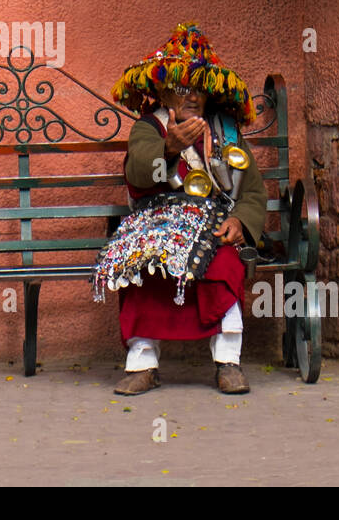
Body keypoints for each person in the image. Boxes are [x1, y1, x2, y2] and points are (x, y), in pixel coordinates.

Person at [101, 22, 268, 396]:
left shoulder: (227, 134)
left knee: (224, 258)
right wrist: (170, 149)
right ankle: (142, 364)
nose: (190, 96)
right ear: (163, 91)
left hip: (214, 223)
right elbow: (139, 174)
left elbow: (253, 191)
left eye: (198, 89)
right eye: (181, 87)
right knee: (142, 259)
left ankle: (228, 363)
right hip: (157, 221)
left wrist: (241, 220)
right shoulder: (149, 128)